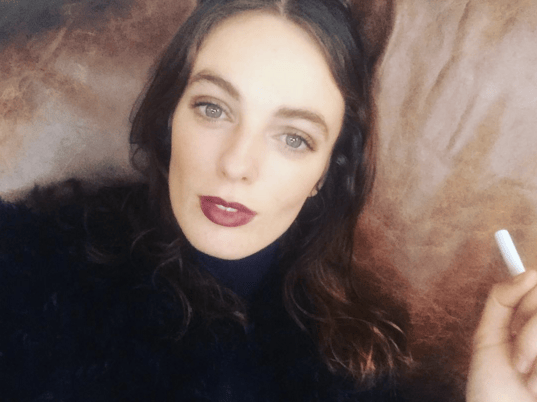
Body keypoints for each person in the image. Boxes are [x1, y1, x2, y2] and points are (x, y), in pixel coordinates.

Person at [1, 0, 537, 401]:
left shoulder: (361, 365)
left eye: (294, 138)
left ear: (325, 173)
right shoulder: (24, 266)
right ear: (169, 118)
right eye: (213, 108)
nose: (237, 164)